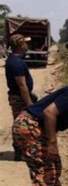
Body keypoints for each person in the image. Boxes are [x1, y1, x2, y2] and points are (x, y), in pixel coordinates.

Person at [5, 33, 35, 161]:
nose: (27, 45)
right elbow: (22, 86)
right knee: (21, 124)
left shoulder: (16, 60)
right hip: (19, 98)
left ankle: (21, 150)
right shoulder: (16, 63)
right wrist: (29, 103)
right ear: (19, 45)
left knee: (21, 123)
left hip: (18, 97)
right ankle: (20, 151)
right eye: (25, 42)